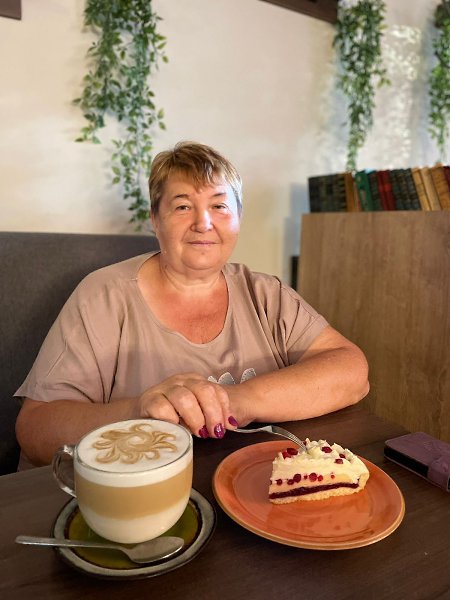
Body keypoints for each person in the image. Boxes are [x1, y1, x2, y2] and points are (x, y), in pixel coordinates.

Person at [15, 141, 369, 467]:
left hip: (254, 484)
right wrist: (139, 412)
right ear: (155, 219)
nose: (203, 223)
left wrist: (233, 402)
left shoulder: (266, 294)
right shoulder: (103, 296)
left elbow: (352, 371)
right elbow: (35, 430)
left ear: (238, 218)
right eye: (183, 206)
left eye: (219, 206)